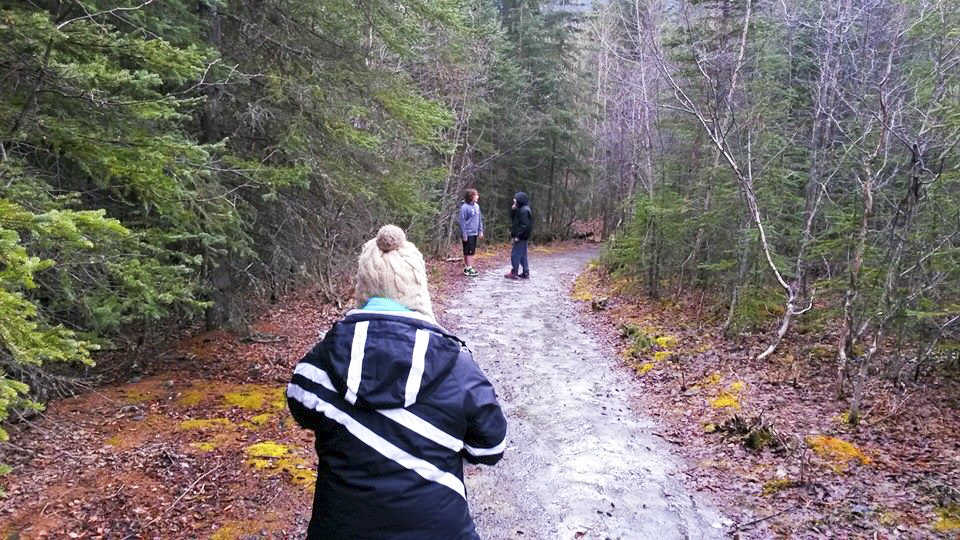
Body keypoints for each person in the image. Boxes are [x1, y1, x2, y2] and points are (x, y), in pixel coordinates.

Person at [286, 224, 507, 540]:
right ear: (418, 285)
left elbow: (300, 406)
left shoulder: (321, 363)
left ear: (362, 285)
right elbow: (490, 448)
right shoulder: (458, 367)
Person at [505, 192, 532, 279]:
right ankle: (525, 272)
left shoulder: (524, 210)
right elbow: (514, 220)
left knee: (515, 254)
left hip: (521, 236)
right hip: (522, 236)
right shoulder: (520, 209)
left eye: (515, 200)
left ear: (520, 200)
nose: (514, 202)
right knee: (523, 255)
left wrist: (518, 236)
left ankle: (514, 272)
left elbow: (524, 226)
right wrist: (513, 210)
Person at [458, 188, 484, 277]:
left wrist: (480, 230)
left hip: (474, 233)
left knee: (471, 251)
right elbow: (462, 222)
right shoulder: (464, 207)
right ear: (471, 197)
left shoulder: (477, 206)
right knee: (468, 252)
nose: (477, 196)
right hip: (468, 233)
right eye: (475, 195)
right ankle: (469, 268)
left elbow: (480, 219)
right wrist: (464, 234)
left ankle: (468, 267)